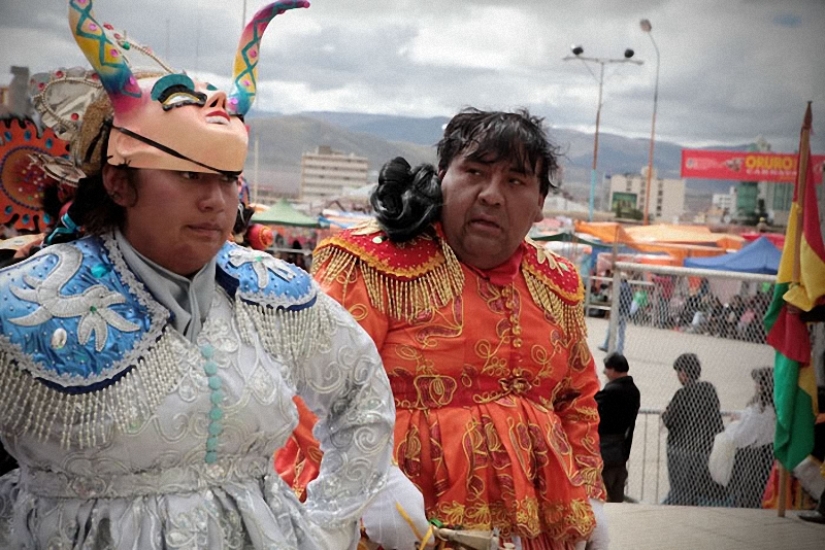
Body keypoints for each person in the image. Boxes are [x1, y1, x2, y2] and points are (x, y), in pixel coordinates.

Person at [0, 2, 396, 549]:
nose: (216, 201)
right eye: (189, 175)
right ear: (119, 183)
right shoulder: (27, 303)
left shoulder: (272, 294)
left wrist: (327, 525)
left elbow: (362, 395)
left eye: (228, 178)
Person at [278, 108, 608, 550]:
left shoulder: (558, 282)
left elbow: (577, 398)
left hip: (531, 527)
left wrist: (588, 494)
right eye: (474, 172)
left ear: (540, 203)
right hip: (384, 523)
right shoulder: (374, 261)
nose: (491, 194)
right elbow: (309, 383)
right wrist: (371, 483)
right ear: (443, 177)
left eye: (515, 180)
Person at [661, 353, 727, 506]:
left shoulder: (682, 394)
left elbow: (671, 421)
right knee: (699, 488)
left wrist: (665, 413)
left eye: (678, 372)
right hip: (706, 448)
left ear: (683, 373)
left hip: (683, 451)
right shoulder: (709, 389)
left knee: (681, 490)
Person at [709, 367, 775, 508]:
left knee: (748, 494)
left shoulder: (758, 409)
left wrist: (734, 423)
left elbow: (740, 436)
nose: (755, 385)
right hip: (770, 454)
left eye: (757, 382)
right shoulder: (774, 409)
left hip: (753, 458)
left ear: (762, 386)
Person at [594, 352, 640, 503]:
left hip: (606, 447)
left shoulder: (612, 391)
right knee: (616, 492)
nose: (605, 372)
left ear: (613, 370)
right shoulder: (634, 391)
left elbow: (593, 409)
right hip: (622, 448)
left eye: (606, 368)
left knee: (604, 490)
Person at [598, 277, 632, 353]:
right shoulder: (629, 287)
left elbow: (613, 299)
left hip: (617, 311)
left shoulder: (618, 287)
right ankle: (620, 349)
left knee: (610, 329)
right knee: (621, 332)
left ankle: (607, 345)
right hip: (625, 311)